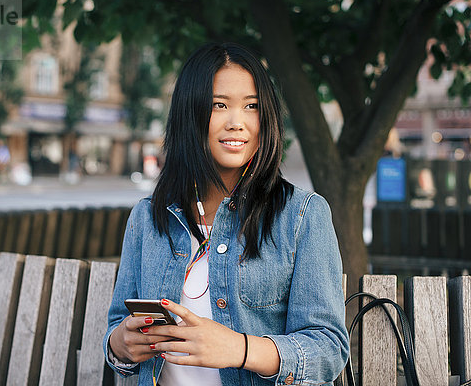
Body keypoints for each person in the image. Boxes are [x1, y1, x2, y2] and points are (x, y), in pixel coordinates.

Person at [104, 42, 349, 386]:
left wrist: (239, 349)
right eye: (220, 105)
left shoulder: (303, 216)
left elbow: (328, 349)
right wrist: (121, 344)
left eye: (251, 106)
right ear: (191, 113)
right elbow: (118, 330)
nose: (237, 123)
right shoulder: (149, 218)